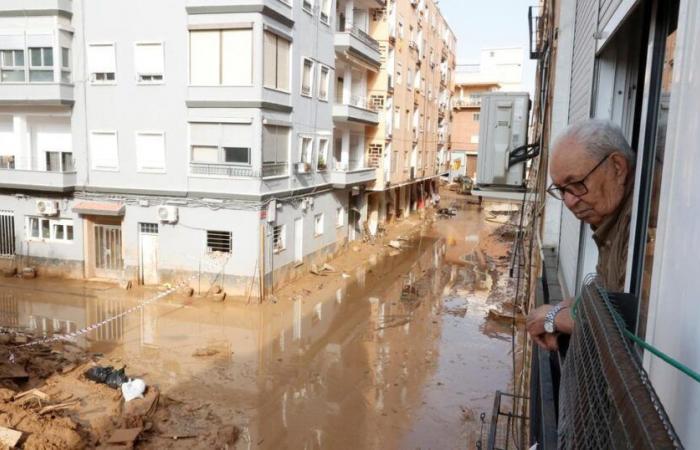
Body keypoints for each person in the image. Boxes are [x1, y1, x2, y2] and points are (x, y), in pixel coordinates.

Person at [526, 119, 635, 351]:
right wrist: (567, 310)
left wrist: (555, 317)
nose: (569, 201)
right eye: (562, 190)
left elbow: (637, 322)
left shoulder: (646, 227)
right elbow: (605, 292)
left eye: (576, 184)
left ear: (617, 167)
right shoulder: (613, 222)